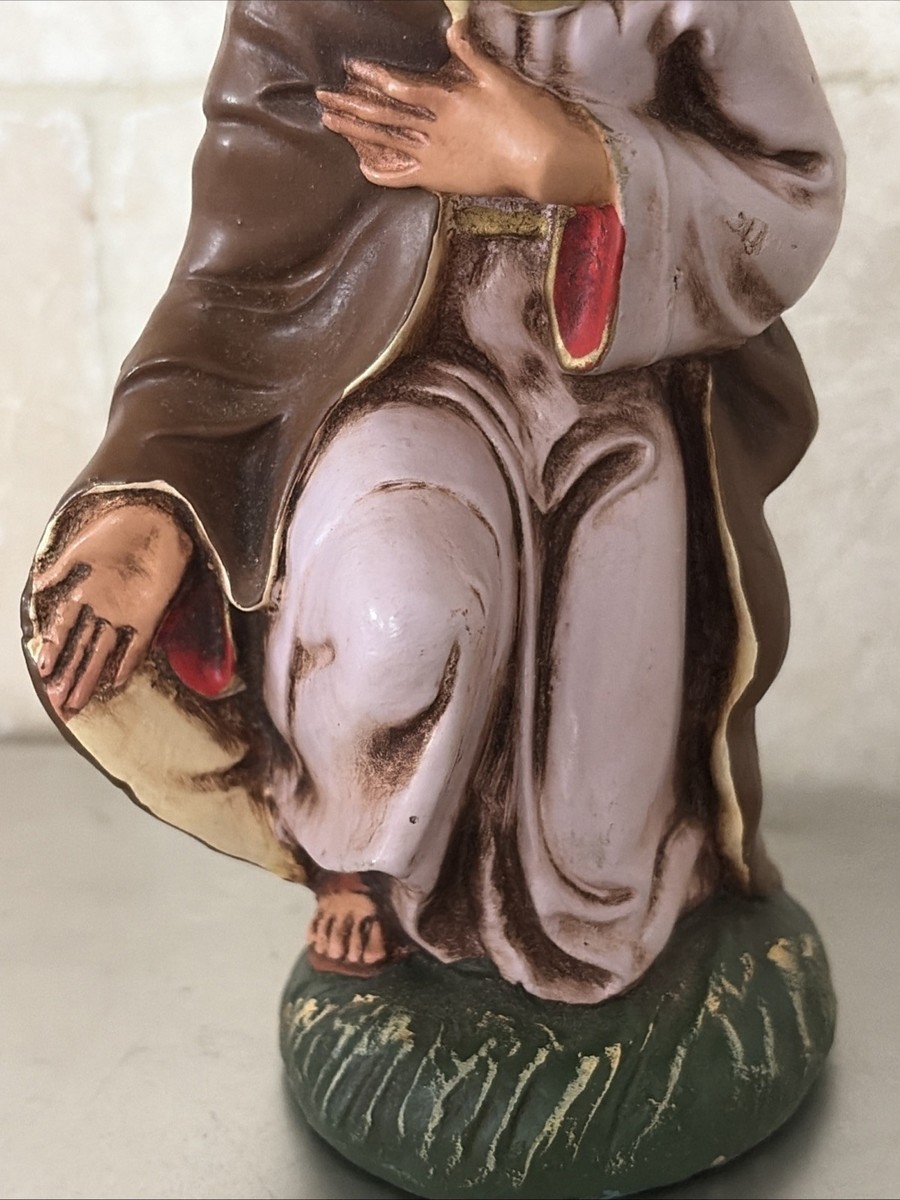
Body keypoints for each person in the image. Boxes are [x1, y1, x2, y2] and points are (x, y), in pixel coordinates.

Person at [23, 0, 844, 1003]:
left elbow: (795, 192)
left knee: (602, 864)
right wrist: (155, 495)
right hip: (404, 380)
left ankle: (613, 892)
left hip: (622, 393)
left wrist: (579, 162)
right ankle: (357, 853)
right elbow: (233, 274)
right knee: (399, 620)